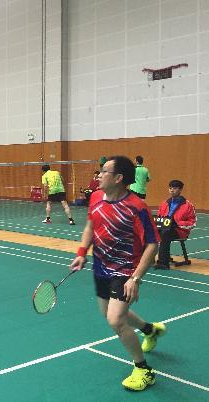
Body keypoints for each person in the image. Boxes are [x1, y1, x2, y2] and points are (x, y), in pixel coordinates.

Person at [70, 156, 164, 392]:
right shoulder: (95, 197)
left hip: (125, 270)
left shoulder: (137, 207)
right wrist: (82, 252)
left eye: (104, 171)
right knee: (108, 313)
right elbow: (90, 226)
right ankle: (149, 330)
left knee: (115, 320)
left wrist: (135, 278)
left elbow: (153, 244)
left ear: (119, 178)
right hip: (101, 266)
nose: (99, 175)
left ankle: (143, 369)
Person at [154, 180, 197, 270]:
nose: (172, 190)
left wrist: (177, 223)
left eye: (175, 188)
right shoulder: (165, 203)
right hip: (165, 227)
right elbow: (159, 217)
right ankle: (149, 259)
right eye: (170, 188)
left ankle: (163, 263)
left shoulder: (188, 205)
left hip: (179, 230)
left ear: (180, 190)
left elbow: (192, 222)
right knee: (149, 231)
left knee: (165, 234)